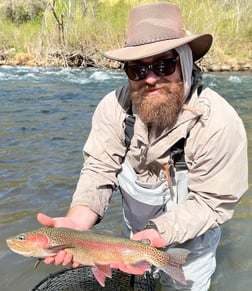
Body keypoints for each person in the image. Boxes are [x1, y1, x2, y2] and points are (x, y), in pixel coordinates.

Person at [37, 2, 248, 290]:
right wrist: (77, 222)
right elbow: (99, 169)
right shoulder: (114, 108)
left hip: (190, 247)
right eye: (137, 68)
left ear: (185, 63)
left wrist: (156, 235)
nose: (150, 78)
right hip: (128, 241)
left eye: (164, 64)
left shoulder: (218, 123)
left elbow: (212, 203)